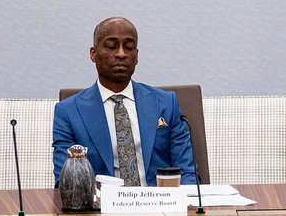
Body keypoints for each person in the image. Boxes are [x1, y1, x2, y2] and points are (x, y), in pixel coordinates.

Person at [52, 17, 196, 186]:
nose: (121, 54)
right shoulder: (69, 112)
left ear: (136, 56)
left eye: (128, 47)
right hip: (100, 208)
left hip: (160, 206)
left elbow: (187, 172)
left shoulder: (166, 103)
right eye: (111, 46)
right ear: (93, 54)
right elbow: (65, 182)